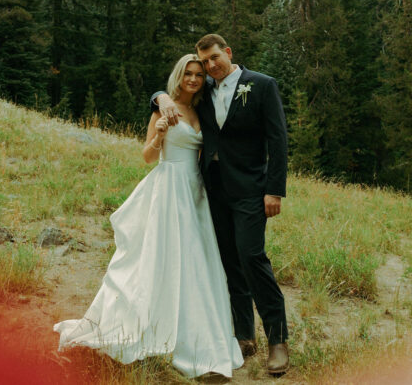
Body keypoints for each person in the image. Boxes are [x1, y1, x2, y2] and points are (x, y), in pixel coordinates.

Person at [53, 54, 243, 379]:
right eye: (188, 73)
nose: (193, 79)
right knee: (159, 257)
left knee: (197, 262)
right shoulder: (162, 109)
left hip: (195, 193)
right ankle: (151, 327)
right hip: (168, 188)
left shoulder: (203, 111)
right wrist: (159, 134)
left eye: (199, 75)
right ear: (179, 76)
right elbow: (147, 157)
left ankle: (200, 337)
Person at [152, 33, 290, 376]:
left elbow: (278, 139)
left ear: (228, 52)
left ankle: (277, 340)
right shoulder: (205, 90)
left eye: (215, 58)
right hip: (212, 191)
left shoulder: (262, 85)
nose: (211, 66)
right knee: (228, 262)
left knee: (251, 256)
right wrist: (159, 97)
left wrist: (275, 190)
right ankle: (244, 336)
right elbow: (173, 93)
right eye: (205, 61)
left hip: (251, 190)